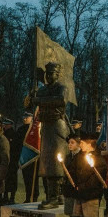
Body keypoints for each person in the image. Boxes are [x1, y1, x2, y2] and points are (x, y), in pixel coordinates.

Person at [33, 62, 71, 209]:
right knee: (48, 162)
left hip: (57, 127)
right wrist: (33, 97)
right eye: (47, 74)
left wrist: (39, 100)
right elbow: (32, 102)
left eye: (51, 74)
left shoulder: (62, 88)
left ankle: (56, 196)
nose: (48, 77)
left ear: (57, 74)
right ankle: (52, 195)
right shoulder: (42, 90)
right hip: (47, 127)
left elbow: (60, 100)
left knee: (56, 162)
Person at [71, 133, 106, 217]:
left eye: (83, 143)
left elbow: (96, 179)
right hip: (79, 195)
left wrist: (82, 187)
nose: (80, 145)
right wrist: (74, 185)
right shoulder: (79, 157)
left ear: (90, 145)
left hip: (91, 195)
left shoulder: (99, 160)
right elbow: (72, 170)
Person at [60, 134, 85, 217]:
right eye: (69, 143)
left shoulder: (82, 156)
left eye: (72, 143)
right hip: (69, 190)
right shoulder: (68, 156)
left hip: (77, 191)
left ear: (79, 144)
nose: (69, 145)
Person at [16, 112, 39, 202]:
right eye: (24, 117)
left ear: (32, 118)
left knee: (34, 179)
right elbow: (17, 144)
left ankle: (35, 197)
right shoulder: (20, 129)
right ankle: (28, 196)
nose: (25, 119)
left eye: (27, 117)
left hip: (34, 159)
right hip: (23, 157)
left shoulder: (35, 130)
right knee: (26, 179)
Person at [2, 118, 18, 203]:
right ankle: (5, 196)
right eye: (4, 124)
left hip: (12, 160)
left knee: (12, 179)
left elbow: (14, 148)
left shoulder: (13, 134)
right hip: (5, 160)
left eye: (6, 124)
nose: (4, 126)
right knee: (5, 179)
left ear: (10, 125)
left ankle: (12, 197)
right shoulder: (3, 134)